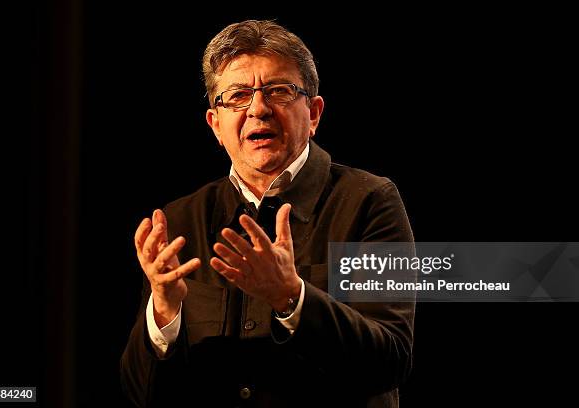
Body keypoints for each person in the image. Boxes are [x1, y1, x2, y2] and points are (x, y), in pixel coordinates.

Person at [121, 19, 415, 408]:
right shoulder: (178, 222)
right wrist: (163, 310)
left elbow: (390, 360)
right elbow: (140, 395)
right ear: (216, 125)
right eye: (238, 95)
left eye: (278, 91)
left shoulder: (371, 201)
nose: (258, 109)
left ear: (313, 114)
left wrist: (291, 297)